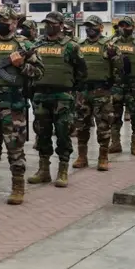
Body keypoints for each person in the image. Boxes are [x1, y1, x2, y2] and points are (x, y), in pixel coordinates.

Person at [0, 7, 44, 205]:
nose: (0, 23)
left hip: (13, 104)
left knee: (15, 147)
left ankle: (17, 186)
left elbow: (39, 72)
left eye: (4, 20)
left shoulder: (24, 45)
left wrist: (21, 65)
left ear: (14, 23)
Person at [27, 12, 87, 187]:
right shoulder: (37, 45)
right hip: (40, 96)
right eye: (46, 23)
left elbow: (82, 73)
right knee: (42, 133)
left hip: (63, 97)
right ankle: (43, 170)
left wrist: (72, 92)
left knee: (63, 133)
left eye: (52, 23)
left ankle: (62, 170)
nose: (48, 26)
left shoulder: (71, 46)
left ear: (61, 25)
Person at [74, 16, 121, 170]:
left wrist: (115, 56)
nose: (89, 29)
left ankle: (103, 157)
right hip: (83, 92)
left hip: (102, 92)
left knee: (103, 126)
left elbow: (120, 67)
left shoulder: (109, 45)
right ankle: (82, 157)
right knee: (82, 126)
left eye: (93, 26)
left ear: (100, 27)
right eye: (87, 26)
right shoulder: (79, 45)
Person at [110, 16, 135, 156]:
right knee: (114, 115)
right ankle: (115, 143)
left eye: (127, 26)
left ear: (132, 27)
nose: (124, 28)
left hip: (134, 86)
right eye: (121, 26)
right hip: (117, 85)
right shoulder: (112, 43)